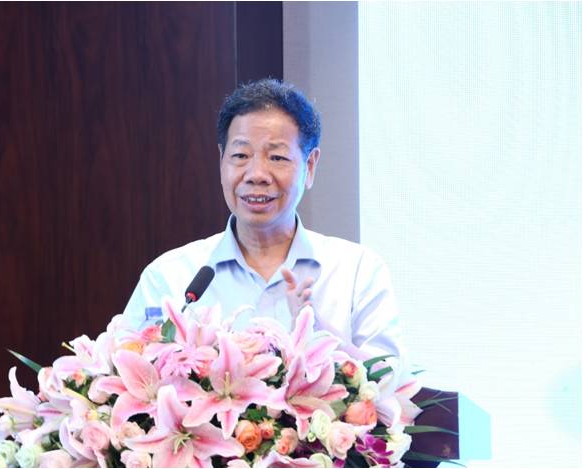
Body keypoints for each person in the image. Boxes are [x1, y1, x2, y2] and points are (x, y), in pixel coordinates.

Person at [121, 78, 404, 363]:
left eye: (277, 157)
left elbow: (391, 382)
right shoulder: (169, 278)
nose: (256, 174)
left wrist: (319, 335)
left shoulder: (357, 272)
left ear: (309, 165)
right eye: (240, 155)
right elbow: (123, 370)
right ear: (221, 160)